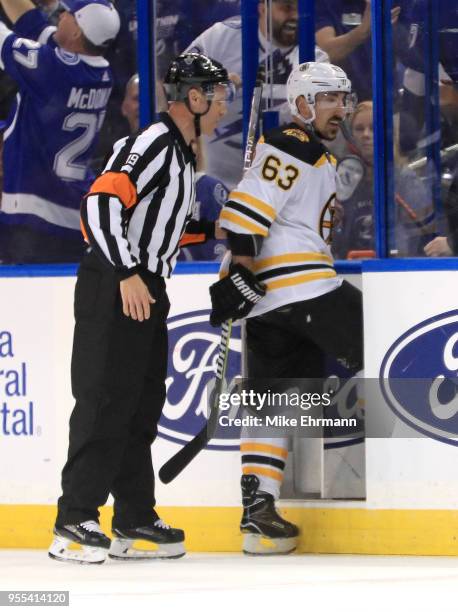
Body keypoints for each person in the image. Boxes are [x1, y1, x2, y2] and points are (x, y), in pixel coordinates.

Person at [48, 52, 232, 564]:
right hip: (117, 281)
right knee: (106, 400)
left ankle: (133, 517)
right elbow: (101, 203)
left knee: (140, 406)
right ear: (194, 99)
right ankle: (73, 520)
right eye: (219, 98)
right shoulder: (152, 143)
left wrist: (216, 231)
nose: (223, 109)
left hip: (146, 284)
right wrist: (127, 272)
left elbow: (164, 228)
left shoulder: (181, 156)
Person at [209, 62, 363, 554]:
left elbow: (255, 214)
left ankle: (259, 514)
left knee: (273, 402)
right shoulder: (291, 144)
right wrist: (241, 270)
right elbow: (244, 216)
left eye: (344, 99)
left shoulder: (313, 155)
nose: (341, 109)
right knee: (384, 346)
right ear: (302, 104)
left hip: (271, 306)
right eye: (329, 100)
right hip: (305, 289)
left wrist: (243, 278)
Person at [0, 0, 120, 263]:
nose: (61, 15)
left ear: (77, 31)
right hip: (71, 219)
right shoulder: (99, 71)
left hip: (33, 221)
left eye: (69, 14)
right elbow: (30, 21)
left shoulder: (53, 69)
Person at [185, 0, 329, 189]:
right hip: (214, 185)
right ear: (263, 8)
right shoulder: (221, 37)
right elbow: (175, 85)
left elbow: (321, 131)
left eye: (299, 9)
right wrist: (211, 85)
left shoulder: (316, 60)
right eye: (286, 8)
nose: (294, 16)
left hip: (278, 192)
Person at [332, 101, 434, 258]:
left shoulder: (405, 179)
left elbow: (421, 236)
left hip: (393, 270)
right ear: (351, 136)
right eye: (359, 129)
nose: (366, 134)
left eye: (373, 128)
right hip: (347, 268)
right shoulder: (340, 178)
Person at [315, 0, 401, 102]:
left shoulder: (388, 3)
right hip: (345, 102)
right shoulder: (320, 4)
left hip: (387, 101)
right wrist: (363, 31)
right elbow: (328, 52)